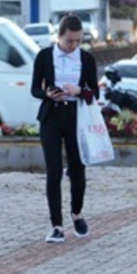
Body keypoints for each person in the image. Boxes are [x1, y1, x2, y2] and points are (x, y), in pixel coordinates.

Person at [30, 14, 99, 243]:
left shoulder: (86, 59)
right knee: (54, 170)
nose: (74, 45)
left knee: (78, 171)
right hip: (51, 116)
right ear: (59, 36)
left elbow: (94, 94)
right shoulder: (44, 56)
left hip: (76, 116)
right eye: (70, 41)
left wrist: (79, 91)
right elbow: (34, 90)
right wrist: (47, 93)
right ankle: (57, 225)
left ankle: (77, 213)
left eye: (78, 41)